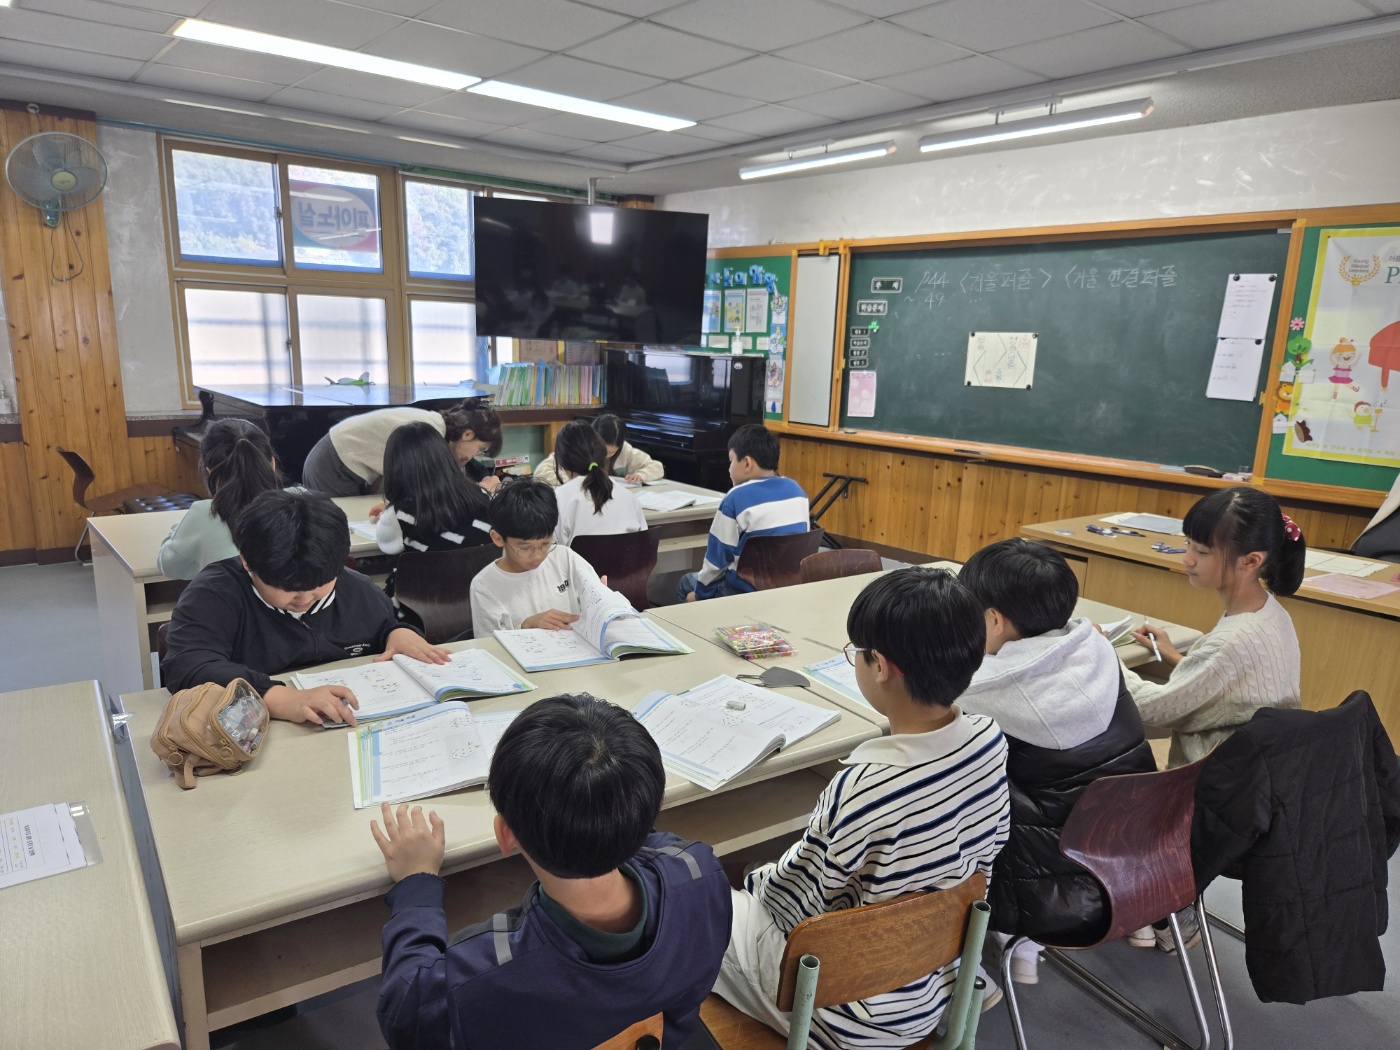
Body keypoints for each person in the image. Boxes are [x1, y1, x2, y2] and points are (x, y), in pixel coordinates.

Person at [713, 568, 1009, 1049]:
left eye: (857, 652)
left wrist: (752, 876)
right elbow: (989, 849)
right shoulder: (990, 741)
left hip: (844, 1013)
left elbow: (794, 908)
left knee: (702, 905)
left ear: (880, 667)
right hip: (933, 984)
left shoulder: (864, 787)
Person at [372, 693, 731, 1049]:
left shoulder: (482, 976)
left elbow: (403, 1011)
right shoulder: (702, 873)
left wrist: (416, 882)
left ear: (505, 835)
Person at [957, 539, 1155, 978]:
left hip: (1044, 887)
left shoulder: (981, 689)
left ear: (993, 619)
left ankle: (994, 951)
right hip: (1141, 854)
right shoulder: (1096, 647)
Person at [160, 489, 449, 725]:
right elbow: (189, 666)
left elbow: (381, 626)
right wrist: (280, 699)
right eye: (287, 589)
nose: (304, 598)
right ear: (247, 561)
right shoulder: (213, 594)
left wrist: (395, 634)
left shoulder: (358, 590)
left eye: (320, 585)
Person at [1125, 486, 1305, 768]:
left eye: (1202, 551)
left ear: (1251, 561)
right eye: (1188, 543)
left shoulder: (1232, 642)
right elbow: (1232, 686)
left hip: (1211, 783)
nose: (1187, 558)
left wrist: (1103, 656)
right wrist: (1175, 657)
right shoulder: (1271, 611)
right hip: (1257, 772)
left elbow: (1151, 709)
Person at [375, 422, 494, 626]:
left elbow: (387, 546)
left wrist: (386, 514)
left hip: (418, 614)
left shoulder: (398, 515)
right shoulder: (482, 495)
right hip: (479, 607)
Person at [679, 425, 808, 603]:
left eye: (731, 461)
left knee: (686, 583)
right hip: (787, 589)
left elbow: (716, 562)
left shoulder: (736, 497)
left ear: (747, 463)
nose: (729, 469)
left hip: (743, 592)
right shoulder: (797, 491)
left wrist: (700, 596)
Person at [469, 480, 607, 635]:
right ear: (498, 539)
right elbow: (488, 644)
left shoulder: (564, 557)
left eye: (546, 543)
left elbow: (597, 602)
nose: (538, 555)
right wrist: (525, 627)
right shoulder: (484, 587)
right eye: (525, 548)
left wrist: (603, 603)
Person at [156, 418, 283, 580]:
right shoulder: (303, 501)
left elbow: (167, 565)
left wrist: (177, 529)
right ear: (272, 464)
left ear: (210, 470)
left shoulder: (204, 514)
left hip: (227, 597)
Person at [301, 400, 502, 497]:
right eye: (480, 449)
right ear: (468, 434)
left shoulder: (440, 429)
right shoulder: (428, 433)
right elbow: (438, 489)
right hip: (333, 464)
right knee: (344, 530)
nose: (475, 456)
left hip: (345, 461)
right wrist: (482, 490)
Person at [549, 420, 646, 546]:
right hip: (628, 559)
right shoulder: (628, 496)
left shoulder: (560, 498)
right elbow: (643, 541)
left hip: (580, 559)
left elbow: (552, 548)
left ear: (562, 463)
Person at [533, 413, 663, 486]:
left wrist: (640, 475)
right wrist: (574, 480)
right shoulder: (576, 450)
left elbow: (656, 467)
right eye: (602, 450)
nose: (605, 456)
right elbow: (541, 472)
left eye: (611, 452)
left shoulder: (626, 451)